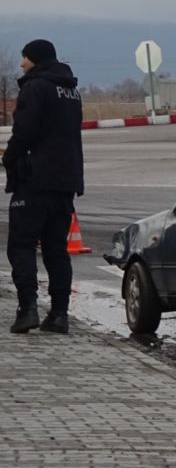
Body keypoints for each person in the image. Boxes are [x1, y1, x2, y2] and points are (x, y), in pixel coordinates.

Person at [4, 39, 84, 334]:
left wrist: (10, 159)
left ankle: (28, 310)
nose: (21, 64)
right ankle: (59, 315)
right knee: (56, 251)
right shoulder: (71, 91)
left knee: (22, 246)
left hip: (34, 181)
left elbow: (24, 132)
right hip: (66, 182)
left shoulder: (34, 88)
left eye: (24, 58)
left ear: (35, 59)